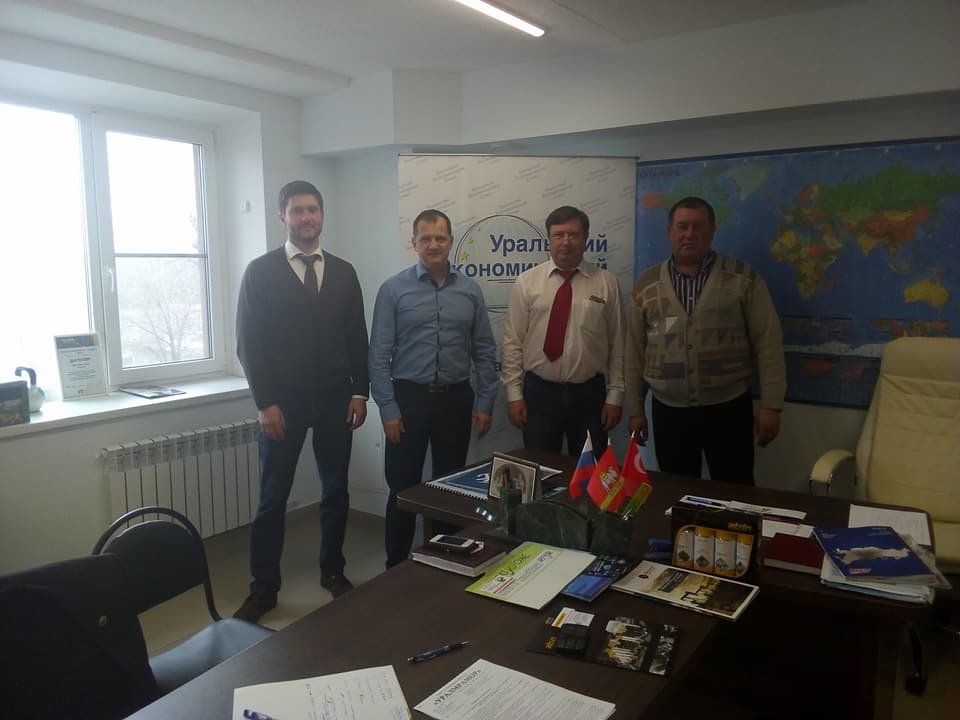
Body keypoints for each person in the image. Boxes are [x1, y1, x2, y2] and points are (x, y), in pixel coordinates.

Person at [234, 180, 369, 622]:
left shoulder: (344, 272)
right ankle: (263, 588)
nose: (306, 217)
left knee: (336, 490)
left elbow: (357, 337)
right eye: (297, 210)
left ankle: (333, 571)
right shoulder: (260, 271)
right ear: (283, 217)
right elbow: (248, 344)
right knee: (272, 498)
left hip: (336, 399)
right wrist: (265, 402)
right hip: (282, 404)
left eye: (312, 209)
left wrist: (359, 391)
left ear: (322, 215)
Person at [625, 196, 786, 485]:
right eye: (682, 226)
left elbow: (768, 342)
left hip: (728, 409)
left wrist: (771, 406)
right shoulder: (646, 283)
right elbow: (634, 352)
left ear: (712, 230)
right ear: (669, 231)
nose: (689, 234)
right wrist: (636, 410)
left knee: (735, 491)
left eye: (698, 226)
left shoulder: (743, 278)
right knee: (675, 491)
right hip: (669, 412)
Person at [369, 209, 498, 568]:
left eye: (440, 238)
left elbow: (485, 350)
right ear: (414, 243)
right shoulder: (393, 290)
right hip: (408, 400)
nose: (433, 245)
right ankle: (395, 567)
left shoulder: (470, 290)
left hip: (455, 400)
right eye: (425, 238)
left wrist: (485, 401)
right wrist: (388, 409)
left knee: (449, 488)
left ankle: (445, 562)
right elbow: (378, 355)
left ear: (451, 242)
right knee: (402, 487)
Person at [501, 205, 625, 457]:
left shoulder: (606, 283)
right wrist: (513, 394)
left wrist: (615, 397)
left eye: (573, 234)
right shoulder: (527, 282)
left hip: (590, 396)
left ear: (585, 237)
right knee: (542, 469)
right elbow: (513, 342)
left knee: (590, 472)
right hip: (539, 394)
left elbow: (618, 343)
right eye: (558, 235)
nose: (566, 241)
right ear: (549, 238)